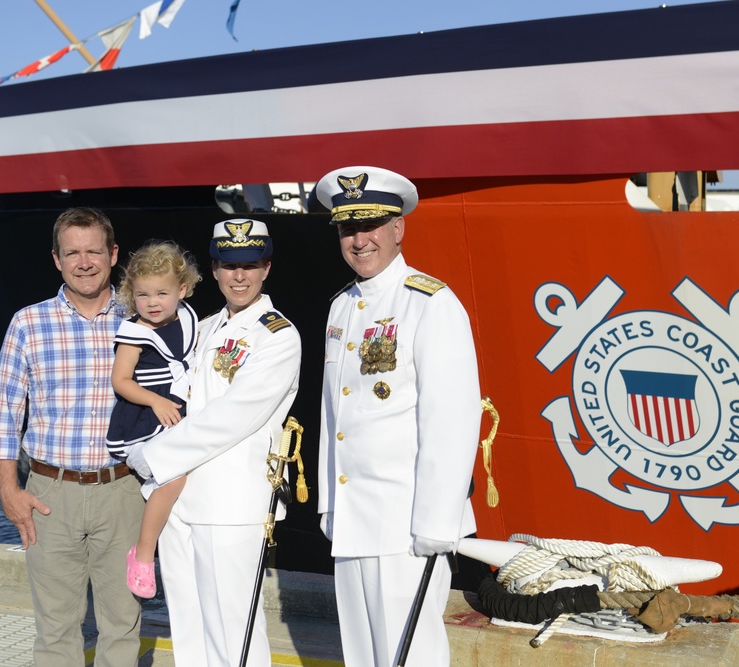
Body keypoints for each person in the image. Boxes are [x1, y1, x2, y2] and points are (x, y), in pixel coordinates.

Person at [314, 166, 482, 666]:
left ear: (398, 228)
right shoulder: (341, 307)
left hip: (406, 523)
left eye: (370, 226)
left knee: (413, 656)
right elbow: (334, 414)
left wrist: (436, 519)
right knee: (363, 654)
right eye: (348, 228)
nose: (359, 240)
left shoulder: (431, 303)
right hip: (353, 517)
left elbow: (450, 418)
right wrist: (329, 503)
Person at [124, 219, 301, 667]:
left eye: (250, 265)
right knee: (190, 629)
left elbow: (231, 418)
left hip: (230, 505)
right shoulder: (201, 328)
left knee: (233, 633)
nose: (238, 276)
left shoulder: (278, 337)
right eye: (228, 265)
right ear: (215, 269)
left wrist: (152, 458)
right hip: (182, 504)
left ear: (266, 268)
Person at [0, 207, 145, 666]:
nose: (84, 262)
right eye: (72, 252)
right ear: (56, 259)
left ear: (113, 255)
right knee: (55, 631)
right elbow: (3, 415)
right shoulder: (28, 324)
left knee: (123, 625)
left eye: (94, 250)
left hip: (124, 492)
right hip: (49, 495)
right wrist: (8, 489)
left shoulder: (142, 320)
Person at [104, 241, 202, 598]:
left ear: (183, 290)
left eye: (162, 293)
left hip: (181, 411)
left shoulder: (191, 319)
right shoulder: (134, 334)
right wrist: (157, 401)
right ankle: (144, 554)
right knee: (173, 479)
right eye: (142, 295)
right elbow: (121, 381)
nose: (152, 303)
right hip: (146, 419)